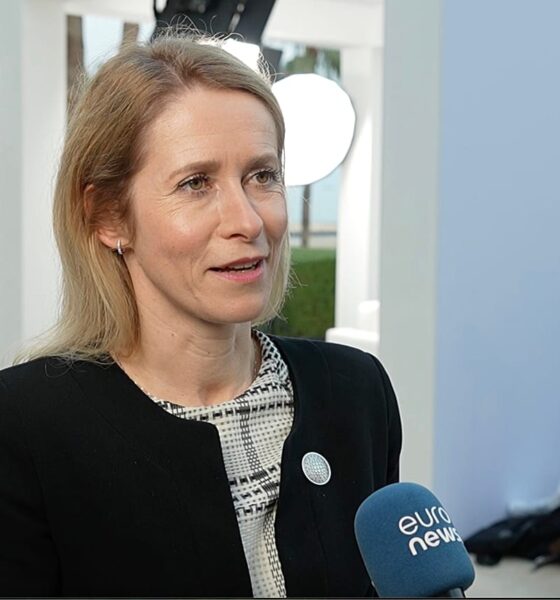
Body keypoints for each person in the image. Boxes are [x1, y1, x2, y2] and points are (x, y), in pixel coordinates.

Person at [0, 32, 401, 598]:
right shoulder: (24, 426)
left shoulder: (357, 393)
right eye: (196, 184)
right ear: (108, 216)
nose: (247, 220)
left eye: (262, 175)